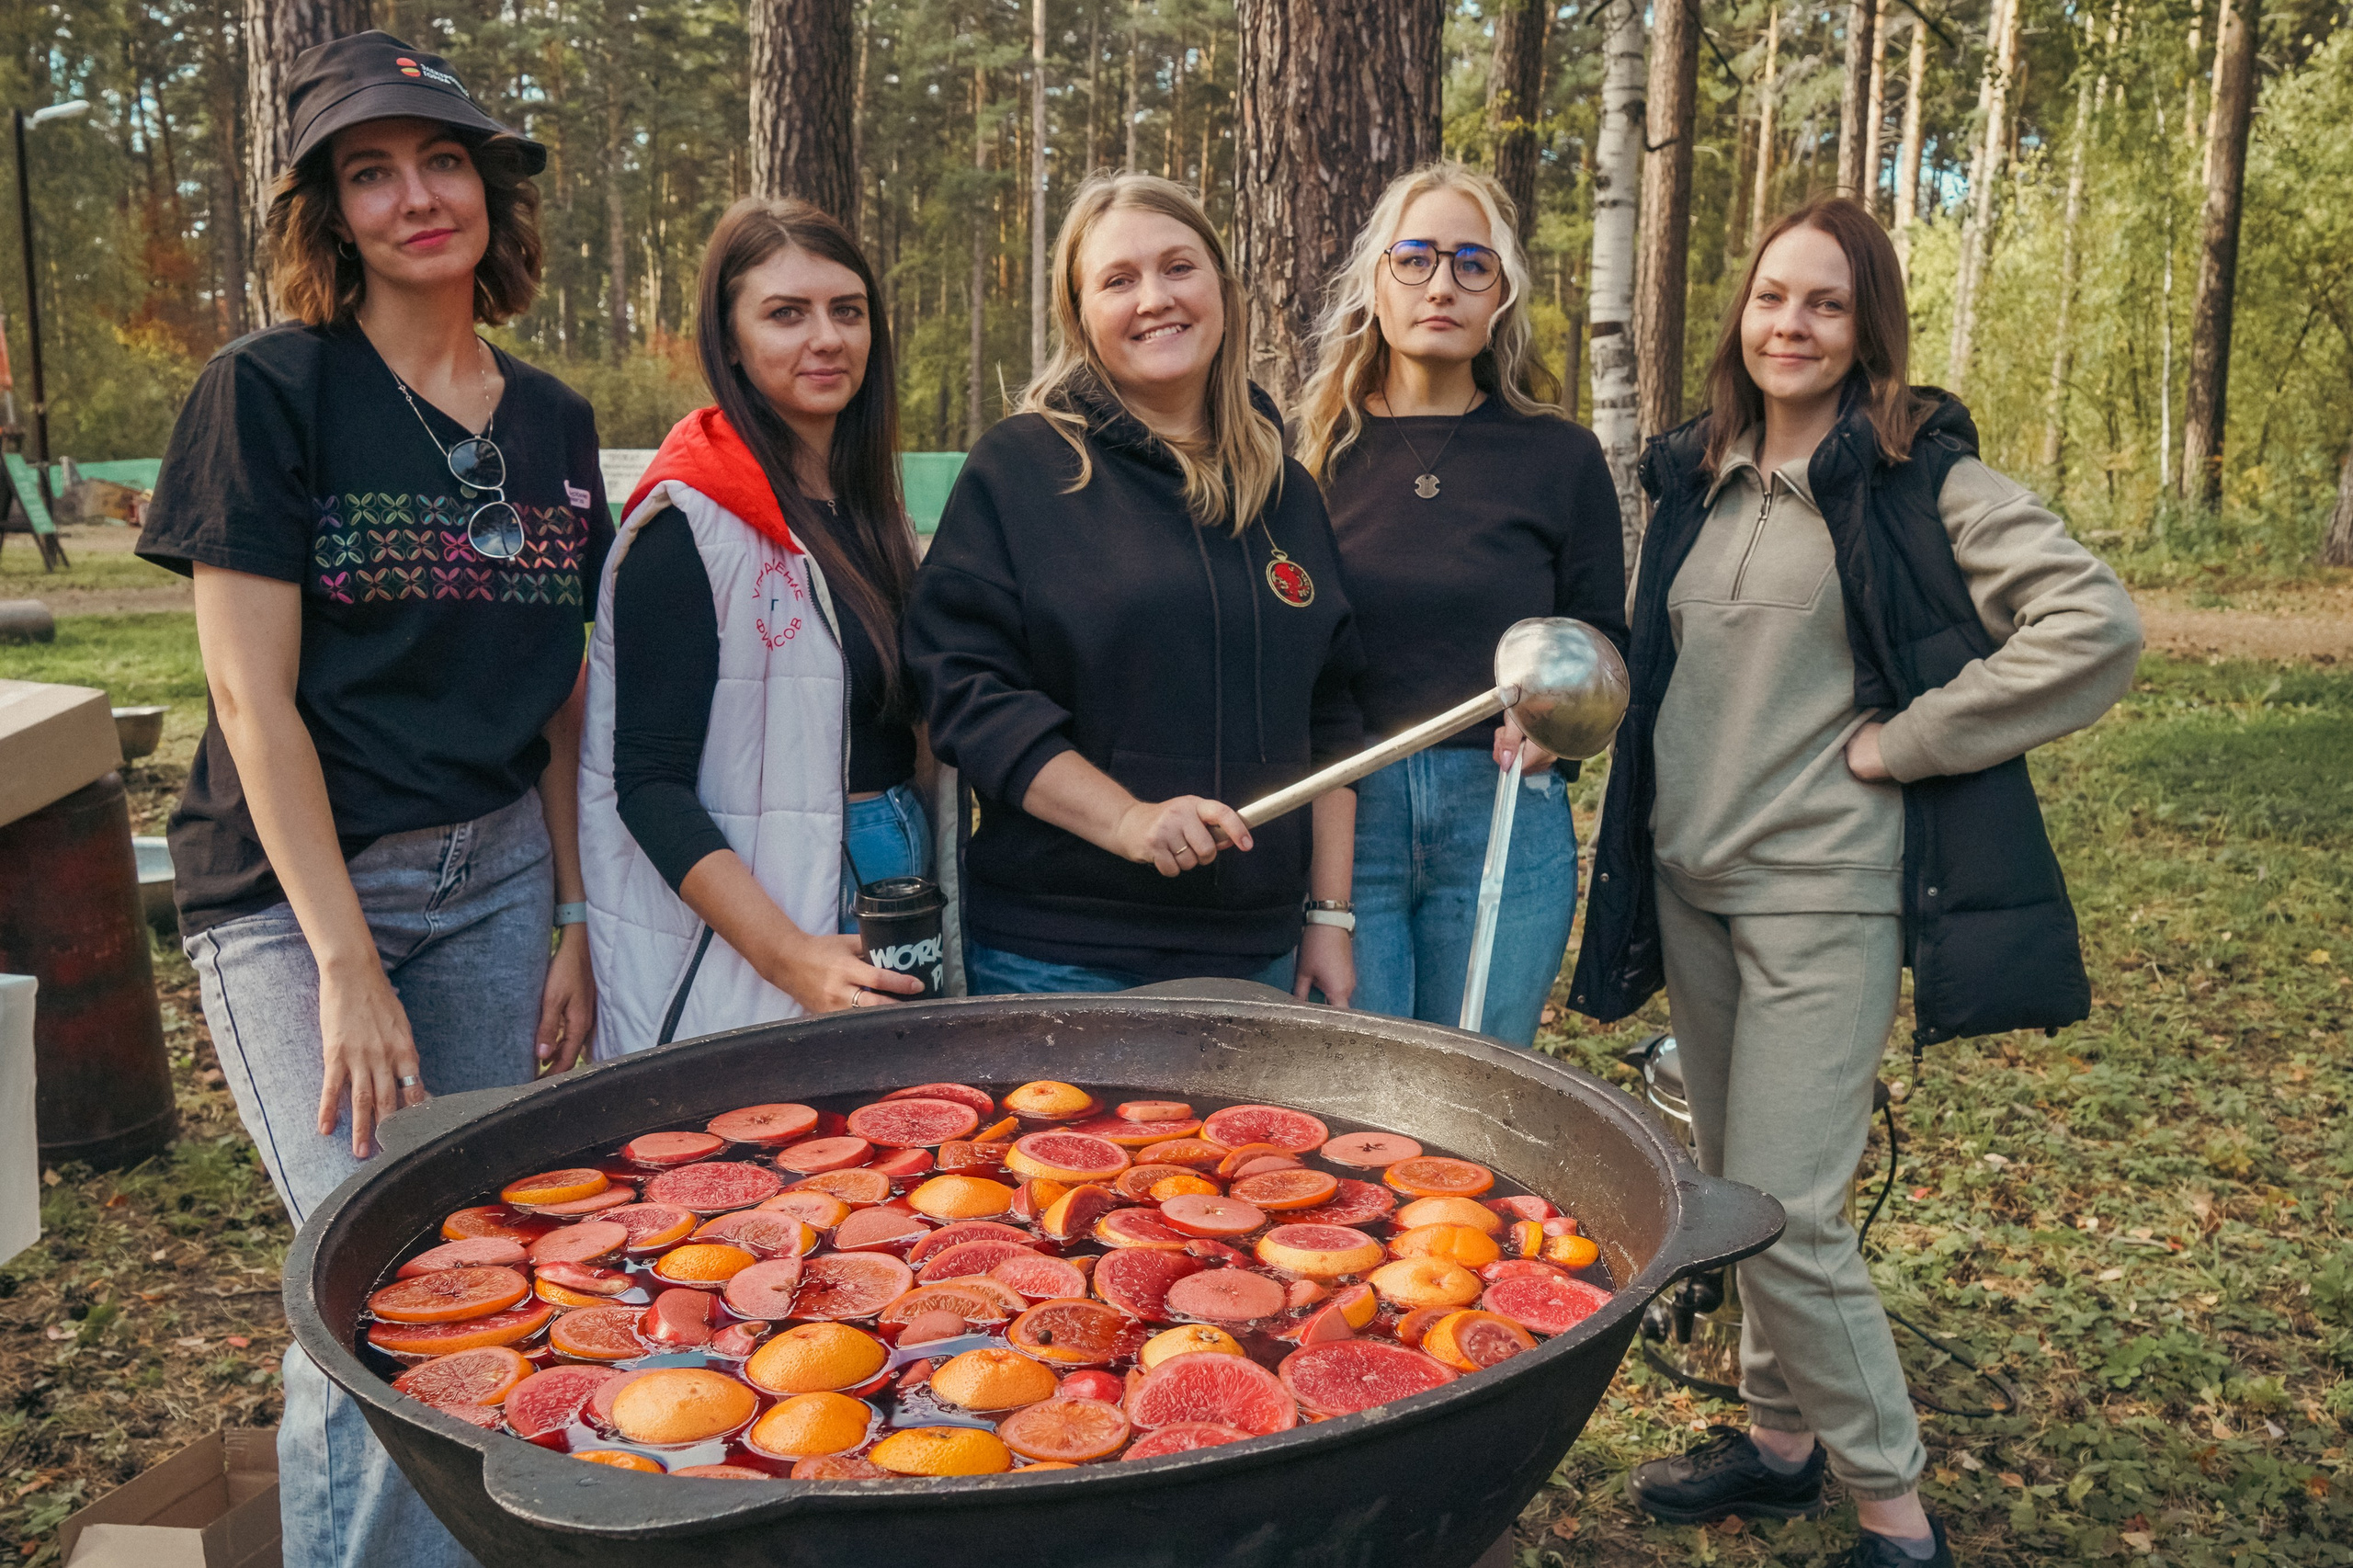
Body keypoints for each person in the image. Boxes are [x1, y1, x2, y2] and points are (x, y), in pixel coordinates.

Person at [1572, 197, 2142, 1566]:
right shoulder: (1698, 478)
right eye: (1773, 296)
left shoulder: (1916, 480)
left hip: (1821, 891)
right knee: (1740, 1193)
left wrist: (1910, 738)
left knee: (1792, 1212)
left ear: (1867, 326)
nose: (1792, 324)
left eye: (1825, 303)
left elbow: (2094, 623)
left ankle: (1897, 1515)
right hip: (1691, 883)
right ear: (1741, 314)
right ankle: (1780, 1445)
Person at [134, 32, 608, 1568]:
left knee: (478, 1263)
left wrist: (571, 913)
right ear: (330, 215)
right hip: (298, 896)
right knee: (371, 1284)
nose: (417, 197)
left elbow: (556, 690)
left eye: (443, 160)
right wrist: (344, 961)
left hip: (494, 884)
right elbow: (247, 700)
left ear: (491, 189)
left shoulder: (553, 422)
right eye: (372, 172)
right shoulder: (268, 392)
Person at [905, 173, 1364, 998]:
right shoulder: (1021, 469)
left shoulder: (1286, 491)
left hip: (1255, 950)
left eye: (1179, 267)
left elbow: (1331, 719)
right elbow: (966, 694)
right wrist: (1126, 819)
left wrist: (1327, 915)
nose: (1156, 298)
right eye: (1119, 280)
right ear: (1080, 316)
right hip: (1060, 952)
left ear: (1223, 289)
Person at [580, 198, 929, 1051]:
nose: (828, 338)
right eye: (786, 314)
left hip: (897, 875)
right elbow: (648, 785)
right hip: (770, 915)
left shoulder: (874, 515)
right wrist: (789, 956)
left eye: (848, 311)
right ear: (729, 340)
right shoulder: (687, 523)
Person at [1295, 161, 1626, 1047]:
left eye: (1471, 264)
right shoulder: (1310, 459)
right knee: (1359, 1089)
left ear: (1501, 295)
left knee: (1481, 1086)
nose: (1441, 285)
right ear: (1376, 284)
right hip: (1347, 816)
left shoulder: (1560, 457)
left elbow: (1601, 639)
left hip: (1504, 813)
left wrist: (1557, 732)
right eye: (1415, 259)